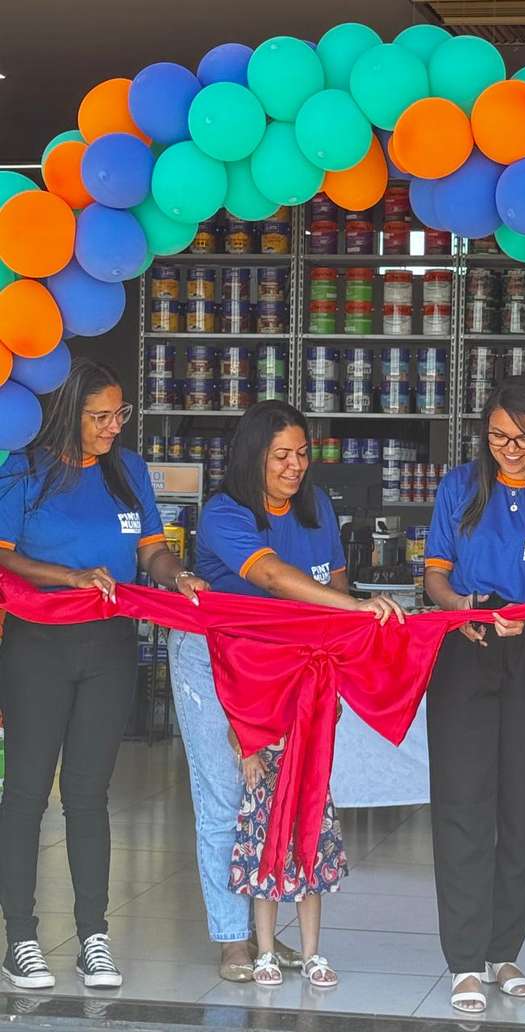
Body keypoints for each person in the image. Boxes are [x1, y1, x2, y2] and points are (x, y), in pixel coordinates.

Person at [168, 400, 403, 989]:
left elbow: (335, 582)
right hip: (214, 661)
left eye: (302, 453)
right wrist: (352, 607)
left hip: (289, 665)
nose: (295, 466)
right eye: (281, 456)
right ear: (253, 457)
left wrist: (347, 633)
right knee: (226, 798)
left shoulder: (315, 504)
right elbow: (271, 576)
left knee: (284, 797)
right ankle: (233, 937)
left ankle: (268, 935)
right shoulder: (225, 512)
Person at [0, 358, 206, 991]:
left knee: (89, 795)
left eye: (120, 414)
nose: (114, 426)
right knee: (27, 792)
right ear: (67, 413)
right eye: (100, 416)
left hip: (111, 647)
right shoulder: (23, 469)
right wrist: (71, 577)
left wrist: (178, 576)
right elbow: (3, 557)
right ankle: (21, 938)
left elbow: (151, 550)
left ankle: (93, 935)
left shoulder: (128, 470)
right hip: (37, 645)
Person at [423, 375, 525, 1014]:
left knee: (522, 806)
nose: (510, 450)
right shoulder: (460, 487)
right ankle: (465, 960)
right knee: (463, 805)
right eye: (498, 437)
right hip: (465, 643)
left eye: (524, 439)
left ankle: (503, 950)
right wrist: (460, 607)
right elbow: (435, 576)